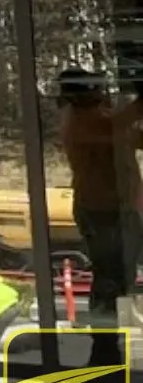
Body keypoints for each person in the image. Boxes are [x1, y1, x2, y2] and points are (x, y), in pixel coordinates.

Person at [57, 67, 143, 326]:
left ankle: (113, 326)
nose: (101, 92)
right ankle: (104, 335)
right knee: (109, 276)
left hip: (119, 207)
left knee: (122, 272)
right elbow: (117, 127)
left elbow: (132, 135)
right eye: (96, 87)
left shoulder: (100, 118)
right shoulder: (81, 120)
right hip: (99, 209)